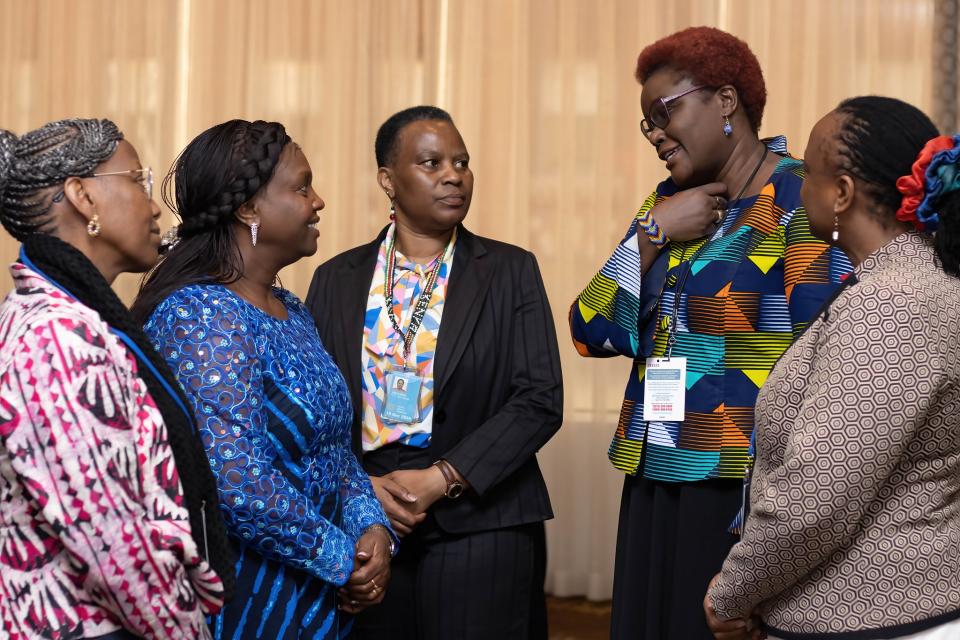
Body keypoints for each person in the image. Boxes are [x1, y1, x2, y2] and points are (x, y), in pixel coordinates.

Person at [568, 27, 851, 639]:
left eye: (664, 112)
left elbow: (828, 355)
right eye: (646, 123)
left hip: (736, 486)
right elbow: (589, 330)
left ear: (726, 101)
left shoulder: (800, 198)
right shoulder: (670, 203)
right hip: (653, 472)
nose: (655, 135)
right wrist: (651, 231)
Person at [706, 97, 960, 640]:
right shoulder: (913, 284)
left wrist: (731, 594)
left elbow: (816, 495)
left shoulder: (892, 304)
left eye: (809, 173)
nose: (796, 187)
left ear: (841, 193)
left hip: (872, 616)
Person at [306, 105, 563, 640]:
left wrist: (441, 479)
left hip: (482, 517)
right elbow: (317, 405)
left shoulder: (511, 270)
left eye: (462, 162)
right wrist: (361, 490)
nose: (454, 175)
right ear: (388, 180)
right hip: (367, 517)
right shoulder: (335, 278)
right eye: (431, 162)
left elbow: (539, 398)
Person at [132, 120, 395, 639]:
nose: (318, 201)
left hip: (317, 591)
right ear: (249, 208)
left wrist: (374, 530)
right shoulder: (202, 315)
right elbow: (235, 483)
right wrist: (345, 559)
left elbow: (334, 451)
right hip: (247, 596)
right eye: (301, 187)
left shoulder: (291, 310)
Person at [0, 119, 232, 639]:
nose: (154, 206)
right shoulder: (57, 337)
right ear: (82, 196)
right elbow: (113, 546)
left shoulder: (74, 319)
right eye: (137, 180)